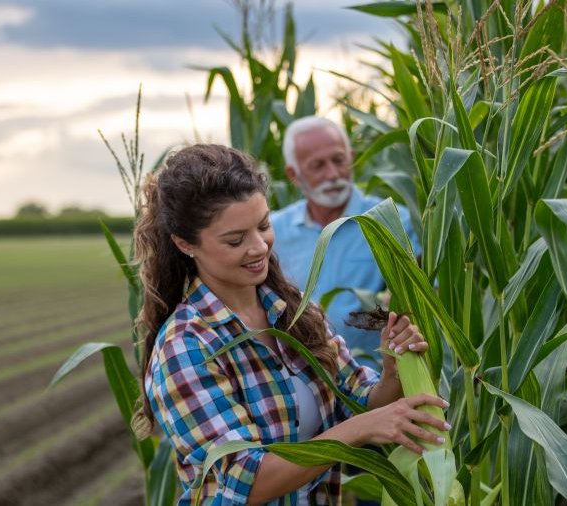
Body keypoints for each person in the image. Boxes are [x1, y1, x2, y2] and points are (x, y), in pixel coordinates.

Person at [133, 144, 448, 505]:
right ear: (185, 243)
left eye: (264, 226)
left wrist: (393, 371)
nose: (259, 247)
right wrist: (360, 430)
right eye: (235, 240)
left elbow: (360, 400)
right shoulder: (185, 347)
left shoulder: (293, 312)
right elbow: (244, 481)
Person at [272, 116, 421, 369]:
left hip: (374, 381)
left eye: (339, 160)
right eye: (317, 165)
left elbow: (425, 299)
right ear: (293, 174)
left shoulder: (393, 222)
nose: (332, 174)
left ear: (351, 157)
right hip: (301, 379)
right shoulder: (273, 231)